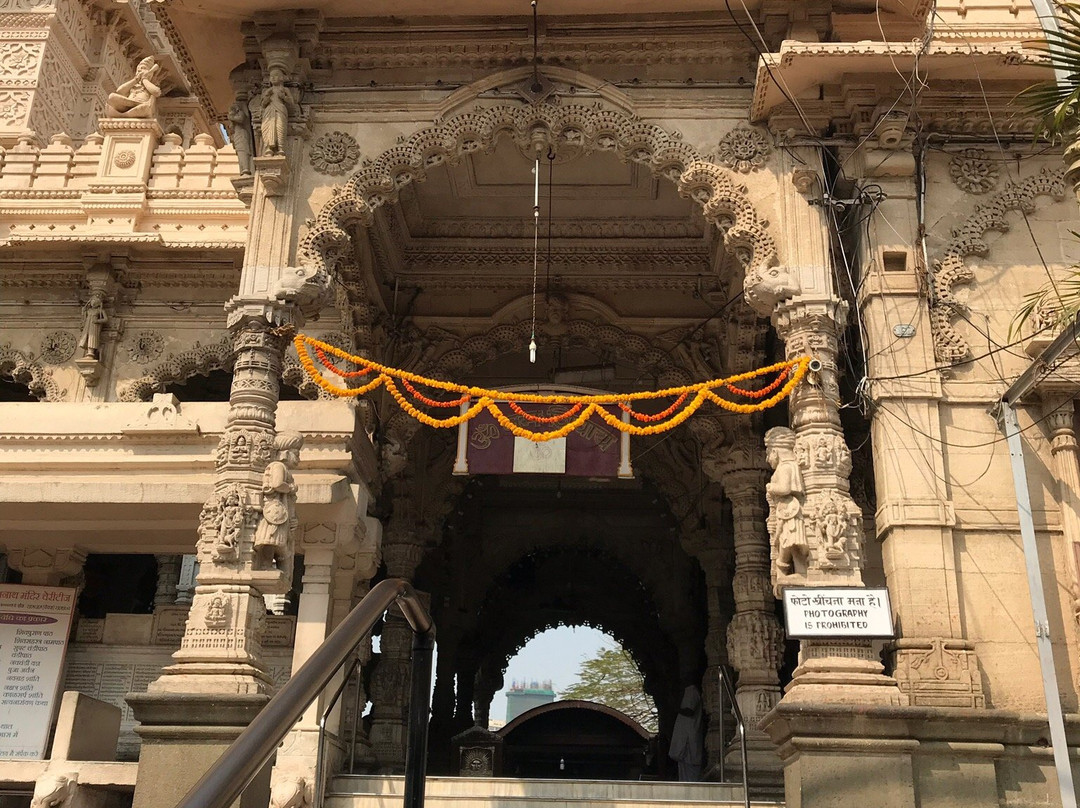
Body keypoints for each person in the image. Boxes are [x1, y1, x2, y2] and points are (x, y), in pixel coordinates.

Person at [260, 67, 300, 156]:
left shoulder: (285, 90)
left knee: (280, 127)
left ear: (281, 78)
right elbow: (263, 104)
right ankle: (268, 148)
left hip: (280, 109)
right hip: (269, 111)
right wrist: (267, 97)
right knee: (266, 127)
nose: (273, 78)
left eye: (276, 75)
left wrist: (283, 97)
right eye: (271, 76)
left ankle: (281, 148)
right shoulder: (268, 91)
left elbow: (291, 102)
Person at [668, 685, 703, 781]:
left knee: (691, 774)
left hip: (689, 740)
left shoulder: (692, 691)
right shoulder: (686, 691)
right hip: (684, 744)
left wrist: (676, 708)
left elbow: (689, 711)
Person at [78, 291, 107, 359]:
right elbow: (84, 318)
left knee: (92, 338)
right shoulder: (89, 310)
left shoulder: (100, 311)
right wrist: (83, 311)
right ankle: (88, 351)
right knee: (87, 336)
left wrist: (97, 321)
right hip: (88, 325)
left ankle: (91, 352)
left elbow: (105, 319)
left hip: (94, 325)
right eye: (92, 300)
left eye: (95, 300)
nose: (93, 302)